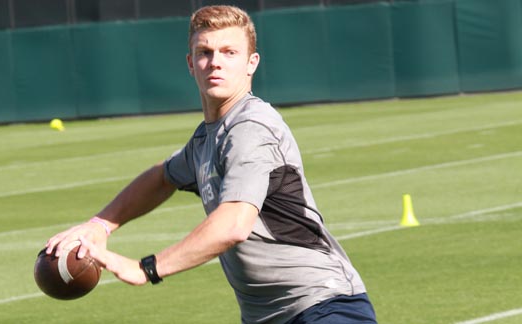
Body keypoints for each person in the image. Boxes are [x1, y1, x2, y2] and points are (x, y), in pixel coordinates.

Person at [45, 5, 377, 324]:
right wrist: (99, 225)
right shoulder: (207, 139)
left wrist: (145, 268)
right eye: (205, 52)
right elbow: (162, 178)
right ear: (191, 63)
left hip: (323, 307)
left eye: (229, 53)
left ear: (251, 63)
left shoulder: (251, 127)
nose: (215, 62)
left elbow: (233, 224)